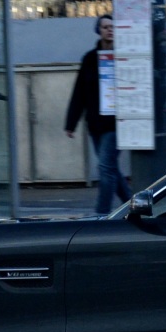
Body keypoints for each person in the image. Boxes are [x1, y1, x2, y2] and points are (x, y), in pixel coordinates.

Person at [64, 14, 131, 215]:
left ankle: (102, 214)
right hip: (96, 124)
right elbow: (80, 92)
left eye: (112, 26)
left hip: (117, 123)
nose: (109, 30)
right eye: (105, 27)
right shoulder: (90, 59)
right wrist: (71, 123)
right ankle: (132, 204)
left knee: (105, 167)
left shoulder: (124, 56)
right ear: (99, 31)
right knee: (110, 168)